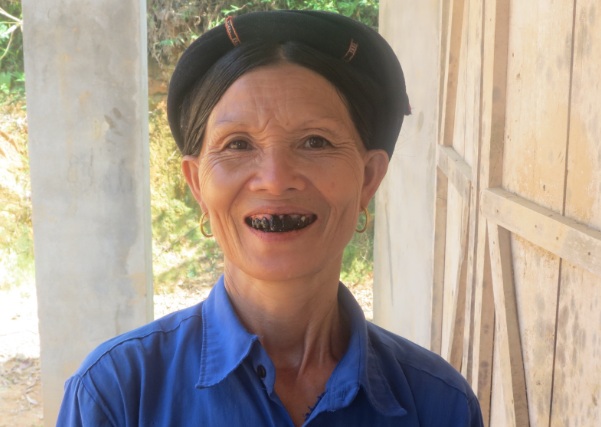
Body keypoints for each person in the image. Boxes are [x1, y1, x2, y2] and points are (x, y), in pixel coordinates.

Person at [57, 10, 483, 426]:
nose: (276, 181)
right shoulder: (117, 395)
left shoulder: (439, 404)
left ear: (368, 178)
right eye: (238, 144)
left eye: (315, 142)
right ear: (197, 183)